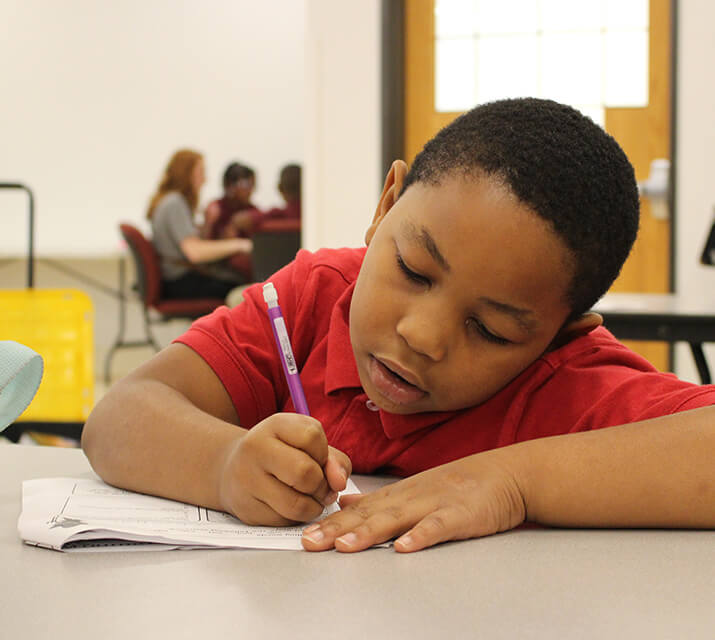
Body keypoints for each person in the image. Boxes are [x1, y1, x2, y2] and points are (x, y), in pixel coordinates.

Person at [83, 99, 715, 554]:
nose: (423, 335)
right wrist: (223, 465)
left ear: (561, 335)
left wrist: (510, 482)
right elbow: (119, 419)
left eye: (491, 330)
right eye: (414, 270)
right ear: (386, 205)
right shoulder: (311, 300)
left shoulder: (566, 386)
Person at [147, 150, 252, 300]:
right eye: (201, 172)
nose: (205, 179)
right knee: (242, 287)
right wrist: (239, 244)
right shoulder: (174, 203)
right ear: (186, 173)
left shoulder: (169, 201)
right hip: (181, 282)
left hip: (176, 280)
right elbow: (195, 252)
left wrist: (208, 222)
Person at [202, 162, 261, 241]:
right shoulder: (215, 209)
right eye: (247, 184)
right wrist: (209, 223)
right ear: (230, 186)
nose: (251, 190)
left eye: (253, 184)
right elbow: (203, 241)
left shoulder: (253, 212)